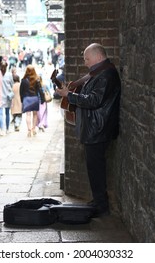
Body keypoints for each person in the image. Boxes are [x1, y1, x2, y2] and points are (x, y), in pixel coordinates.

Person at [56, 43, 121, 217]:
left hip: (97, 129)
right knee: (94, 168)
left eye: (87, 58)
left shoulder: (106, 74)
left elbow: (93, 100)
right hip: (95, 128)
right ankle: (98, 201)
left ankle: (101, 206)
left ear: (98, 57)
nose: (85, 62)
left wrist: (69, 95)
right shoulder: (101, 72)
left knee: (96, 168)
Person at [20, 65, 44, 137]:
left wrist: (22, 100)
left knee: (28, 115)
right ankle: (33, 129)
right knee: (35, 114)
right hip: (35, 98)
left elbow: (21, 91)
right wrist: (42, 99)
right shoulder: (37, 80)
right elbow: (40, 90)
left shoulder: (23, 80)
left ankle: (29, 130)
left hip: (27, 98)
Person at [0, 60, 14, 136]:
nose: (3, 68)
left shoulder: (5, 74)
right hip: (2, 96)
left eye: (3, 66)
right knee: (3, 113)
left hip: (4, 96)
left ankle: (5, 129)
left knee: (4, 113)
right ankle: (4, 129)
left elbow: (12, 85)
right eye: (3, 66)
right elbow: (12, 84)